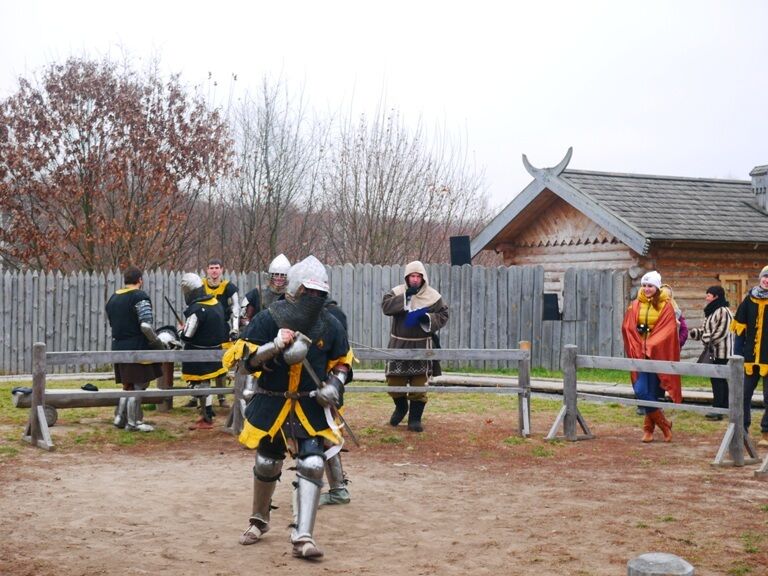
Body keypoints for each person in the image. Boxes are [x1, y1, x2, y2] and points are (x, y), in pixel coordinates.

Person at [237, 255, 352, 559]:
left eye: (318, 293)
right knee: (267, 462)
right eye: (308, 292)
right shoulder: (267, 318)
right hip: (273, 402)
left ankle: (303, 536)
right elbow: (245, 363)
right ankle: (259, 521)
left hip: (308, 404)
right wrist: (274, 346)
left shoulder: (330, 324)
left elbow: (342, 362)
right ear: (296, 290)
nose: (313, 298)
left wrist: (334, 385)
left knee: (312, 464)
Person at [381, 260, 449, 433]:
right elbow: (386, 307)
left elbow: (443, 314)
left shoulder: (433, 296)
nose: (415, 279)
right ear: (407, 277)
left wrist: (427, 318)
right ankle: (401, 407)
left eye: (418, 276)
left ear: (423, 278)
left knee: (419, 386)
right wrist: (405, 297)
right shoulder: (396, 292)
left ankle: (415, 419)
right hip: (399, 344)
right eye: (412, 276)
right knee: (394, 383)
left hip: (421, 346)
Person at [621, 270, 681, 443]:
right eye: (645, 285)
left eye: (650, 286)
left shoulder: (665, 305)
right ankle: (665, 425)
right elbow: (627, 326)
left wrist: (652, 344)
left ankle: (648, 430)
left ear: (657, 287)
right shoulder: (635, 304)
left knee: (653, 393)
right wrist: (637, 340)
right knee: (641, 390)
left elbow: (668, 329)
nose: (647, 289)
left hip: (658, 354)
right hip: (640, 355)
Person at [105, 265, 165, 432]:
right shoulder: (140, 296)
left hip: (118, 346)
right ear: (140, 280)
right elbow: (146, 326)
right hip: (137, 347)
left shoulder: (113, 298)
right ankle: (133, 423)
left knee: (128, 385)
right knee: (138, 385)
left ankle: (119, 418)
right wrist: (157, 344)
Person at [180, 272, 230, 430]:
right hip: (215, 352)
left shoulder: (197, 309)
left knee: (200, 385)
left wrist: (181, 331)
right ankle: (207, 414)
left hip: (199, 355)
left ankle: (207, 417)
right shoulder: (215, 302)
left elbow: (188, 336)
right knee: (205, 383)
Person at [731, 265, 768, 447]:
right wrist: (737, 356)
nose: (767, 280)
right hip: (749, 358)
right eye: (765, 277)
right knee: (744, 395)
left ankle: (766, 432)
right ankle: (742, 430)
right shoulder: (749, 300)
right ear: (760, 278)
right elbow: (740, 332)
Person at [688, 285, 734, 421]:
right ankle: (724, 406)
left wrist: (706, 339)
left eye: (709, 295)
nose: (706, 297)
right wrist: (696, 333)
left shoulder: (724, 311)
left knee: (718, 379)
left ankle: (718, 408)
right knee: (718, 379)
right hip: (713, 350)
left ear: (716, 296)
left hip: (722, 352)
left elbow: (722, 331)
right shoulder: (711, 311)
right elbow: (705, 329)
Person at [203, 258, 239, 408]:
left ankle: (222, 397)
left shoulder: (228, 287)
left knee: (221, 363)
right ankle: (198, 396)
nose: (214, 271)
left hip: (221, 330)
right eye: (211, 268)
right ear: (207, 270)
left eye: (217, 267)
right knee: (202, 363)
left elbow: (236, 308)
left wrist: (235, 328)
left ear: (222, 269)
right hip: (203, 330)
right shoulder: (201, 285)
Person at [239, 254, 291, 328]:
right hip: (258, 334)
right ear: (271, 275)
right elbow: (244, 318)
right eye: (276, 275)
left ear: (287, 277)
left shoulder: (291, 296)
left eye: (282, 275)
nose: (279, 278)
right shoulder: (257, 293)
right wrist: (251, 327)